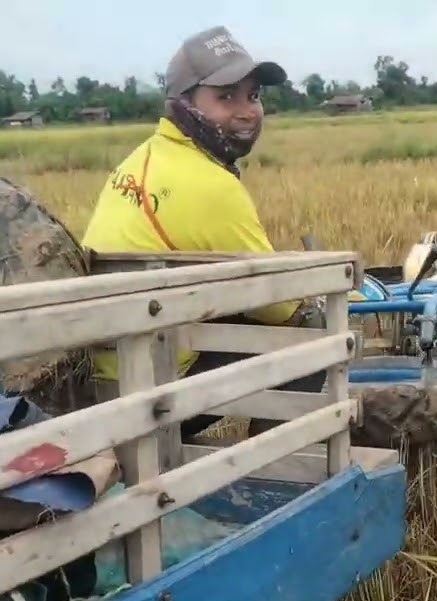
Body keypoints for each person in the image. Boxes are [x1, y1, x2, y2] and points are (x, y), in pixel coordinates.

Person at [80, 25, 325, 440]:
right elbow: (281, 307)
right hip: (151, 393)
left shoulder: (141, 159)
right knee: (314, 337)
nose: (247, 111)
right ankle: (268, 465)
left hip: (106, 376)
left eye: (253, 96)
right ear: (185, 104)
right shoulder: (211, 186)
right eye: (225, 97)